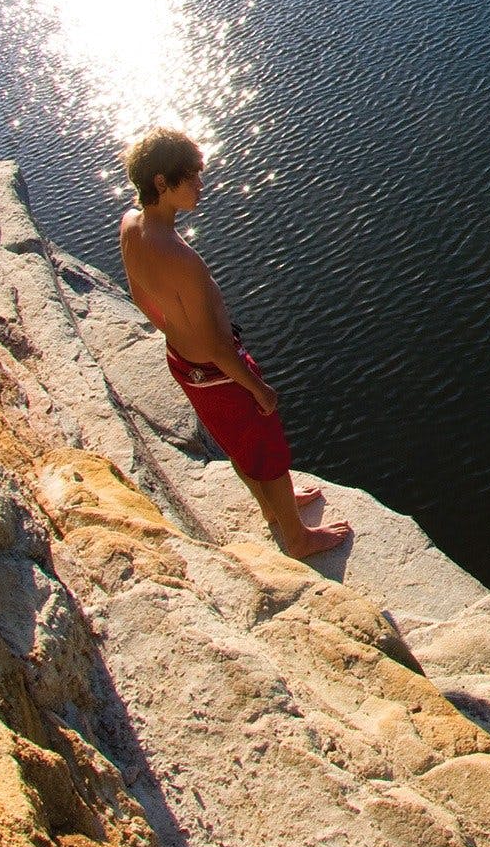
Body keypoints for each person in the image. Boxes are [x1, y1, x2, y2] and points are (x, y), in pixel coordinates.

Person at [118, 127, 350, 560]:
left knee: (239, 445)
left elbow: (140, 296)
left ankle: (273, 508)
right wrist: (257, 387)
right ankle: (298, 539)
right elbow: (216, 345)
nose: (200, 185)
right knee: (268, 449)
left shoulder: (131, 226)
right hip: (219, 372)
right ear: (161, 182)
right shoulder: (182, 260)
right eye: (191, 177)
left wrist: (177, 334)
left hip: (182, 362)